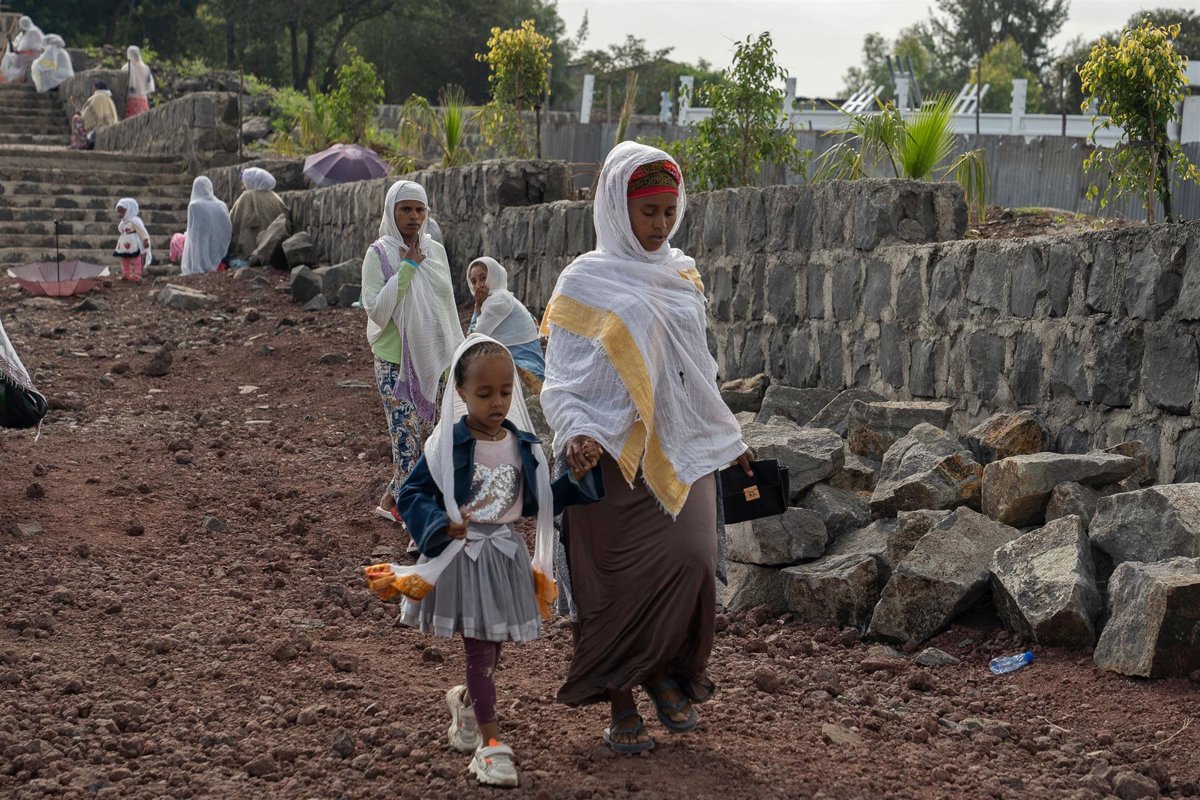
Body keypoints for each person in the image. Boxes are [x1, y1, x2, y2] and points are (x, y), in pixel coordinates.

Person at [541, 142, 753, 753]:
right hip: (605, 458)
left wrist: (729, 437)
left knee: (693, 560)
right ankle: (620, 701)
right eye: (649, 212)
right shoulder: (583, 282)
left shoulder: (681, 275)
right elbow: (563, 377)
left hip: (681, 445)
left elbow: (697, 370)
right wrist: (576, 432)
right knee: (611, 586)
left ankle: (664, 671)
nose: (661, 225)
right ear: (617, 208)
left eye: (669, 211)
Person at [367, 334, 603, 788]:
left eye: (505, 392)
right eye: (484, 393)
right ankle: (490, 746)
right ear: (460, 391)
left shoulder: (522, 444)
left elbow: (536, 501)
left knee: (493, 648)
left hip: (504, 559)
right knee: (479, 649)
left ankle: (465, 704)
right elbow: (413, 493)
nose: (497, 402)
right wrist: (440, 524)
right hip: (464, 558)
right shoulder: (446, 446)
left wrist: (578, 478)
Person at [361, 179, 462, 529]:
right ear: (392, 212)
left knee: (429, 439)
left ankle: (392, 500)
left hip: (432, 358)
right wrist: (408, 267)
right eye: (405, 209)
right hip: (394, 361)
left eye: (420, 209)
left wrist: (453, 354)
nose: (414, 217)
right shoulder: (378, 254)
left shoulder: (436, 251)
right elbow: (377, 310)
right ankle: (414, 514)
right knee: (404, 438)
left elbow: (444, 305)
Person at [466, 257, 545, 393]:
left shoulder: (499, 300)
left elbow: (471, 339)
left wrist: (477, 307)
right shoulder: (506, 297)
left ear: (493, 277)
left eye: (483, 278)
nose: (478, 285)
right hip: (529, 371)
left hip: (528, 376)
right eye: (474, 281)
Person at [228, 167, 286, 260]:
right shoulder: (276, 197)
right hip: (275, 249)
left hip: (252, 248)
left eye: (244, 183)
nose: (242, 187)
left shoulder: (247, 196)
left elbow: (232, 220)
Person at [180, 176, 232, 275]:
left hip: (201, 244)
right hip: (221, 249)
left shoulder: (194, 206)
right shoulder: (222, 205)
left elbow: (192, 232)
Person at [71, 81, 118, 150]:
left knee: (76, 118)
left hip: (100, 126)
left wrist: (79, 113)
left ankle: (81, 143)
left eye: (93, 88)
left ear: (96, 88)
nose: (92, 90)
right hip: (111, 125)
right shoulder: (108, 98)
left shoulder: (98, 97)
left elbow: (85, 116)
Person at [112, 198, 151, 282]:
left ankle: (137, 273)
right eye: (119, 212)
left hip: (134, 243)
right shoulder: (123, 223)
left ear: (129, 210)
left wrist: (145, 240)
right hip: (124, 243)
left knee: (137, 258)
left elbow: (141, 230)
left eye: (122, 212)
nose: (120, 214)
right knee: (124, 259)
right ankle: (126, 273)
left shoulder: (134, 221)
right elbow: (121, 230)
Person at [1, 16, 43, 84]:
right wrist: (10, 40)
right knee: (8, 57)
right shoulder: (21, 34)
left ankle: (16, 76)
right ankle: (11, 77)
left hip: (34, 55)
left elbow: (29, 47)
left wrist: (20, 51)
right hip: (23, 55)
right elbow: (14, 48)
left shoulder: (33, 32)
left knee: (12, 58)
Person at [121, 46, 155, 117]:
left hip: (131, 100)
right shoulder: (146, 68)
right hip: (143, 100)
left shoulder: (126, 68)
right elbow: (149, 84)